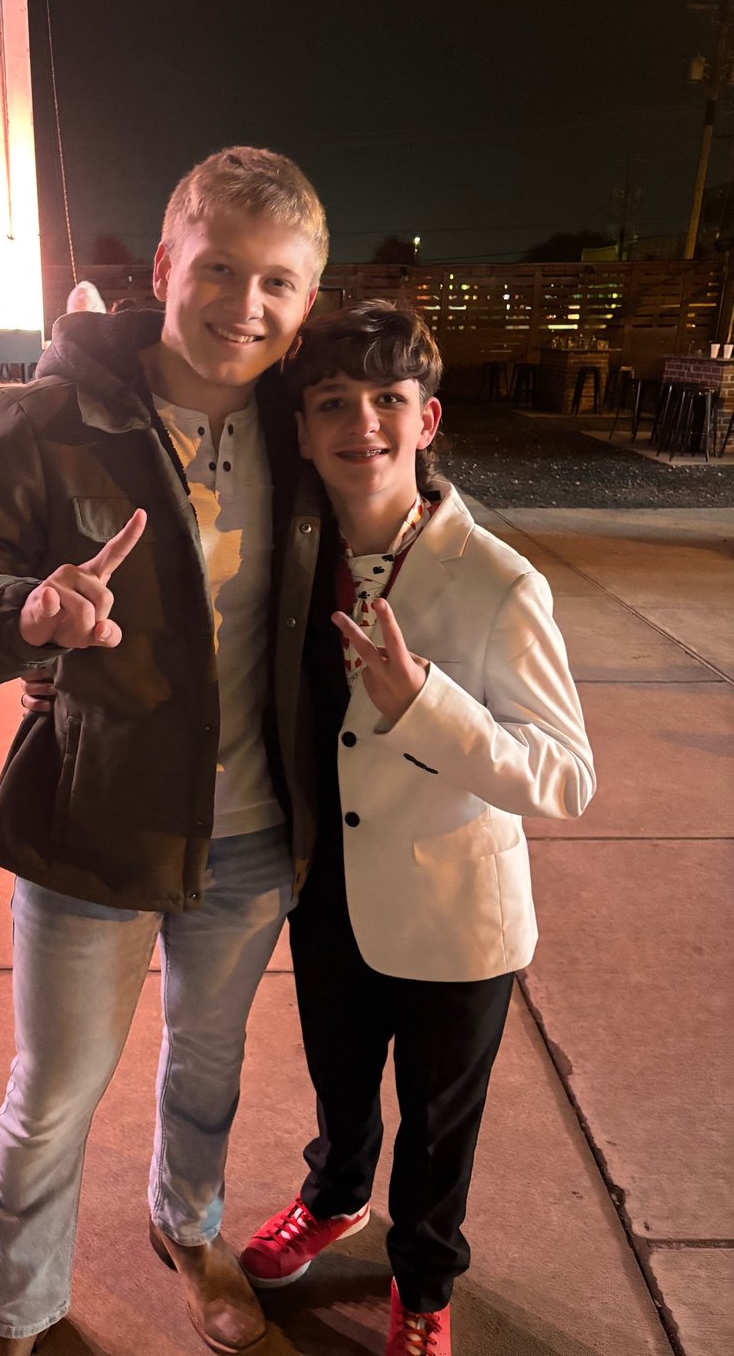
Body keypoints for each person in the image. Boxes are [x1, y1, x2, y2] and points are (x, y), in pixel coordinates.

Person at [0, 146, 328, 1356]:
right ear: (165, 264)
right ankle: (15, 1308)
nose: (246, 304)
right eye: (220, 267)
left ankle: (189, 1229)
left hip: (254, 835)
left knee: (209, 1067)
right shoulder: (45, 420)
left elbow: (402, 514)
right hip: (94, 824)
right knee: (54, 1095)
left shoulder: (309, 431)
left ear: (307, 301)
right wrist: (24, 613)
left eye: (279, 282)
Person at [236, 302, 595, 1355]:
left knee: (439, 1124)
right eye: (332, 403)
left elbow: (566, 775)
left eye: (387, 399)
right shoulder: (291, 563)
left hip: (455, 909)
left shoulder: (497, 580)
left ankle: (426, 1281)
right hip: (329, 891)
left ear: (426, 418)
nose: (362, 423)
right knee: (341, 1084)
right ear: (301, 432)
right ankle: (336, 1195)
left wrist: (427, 705)